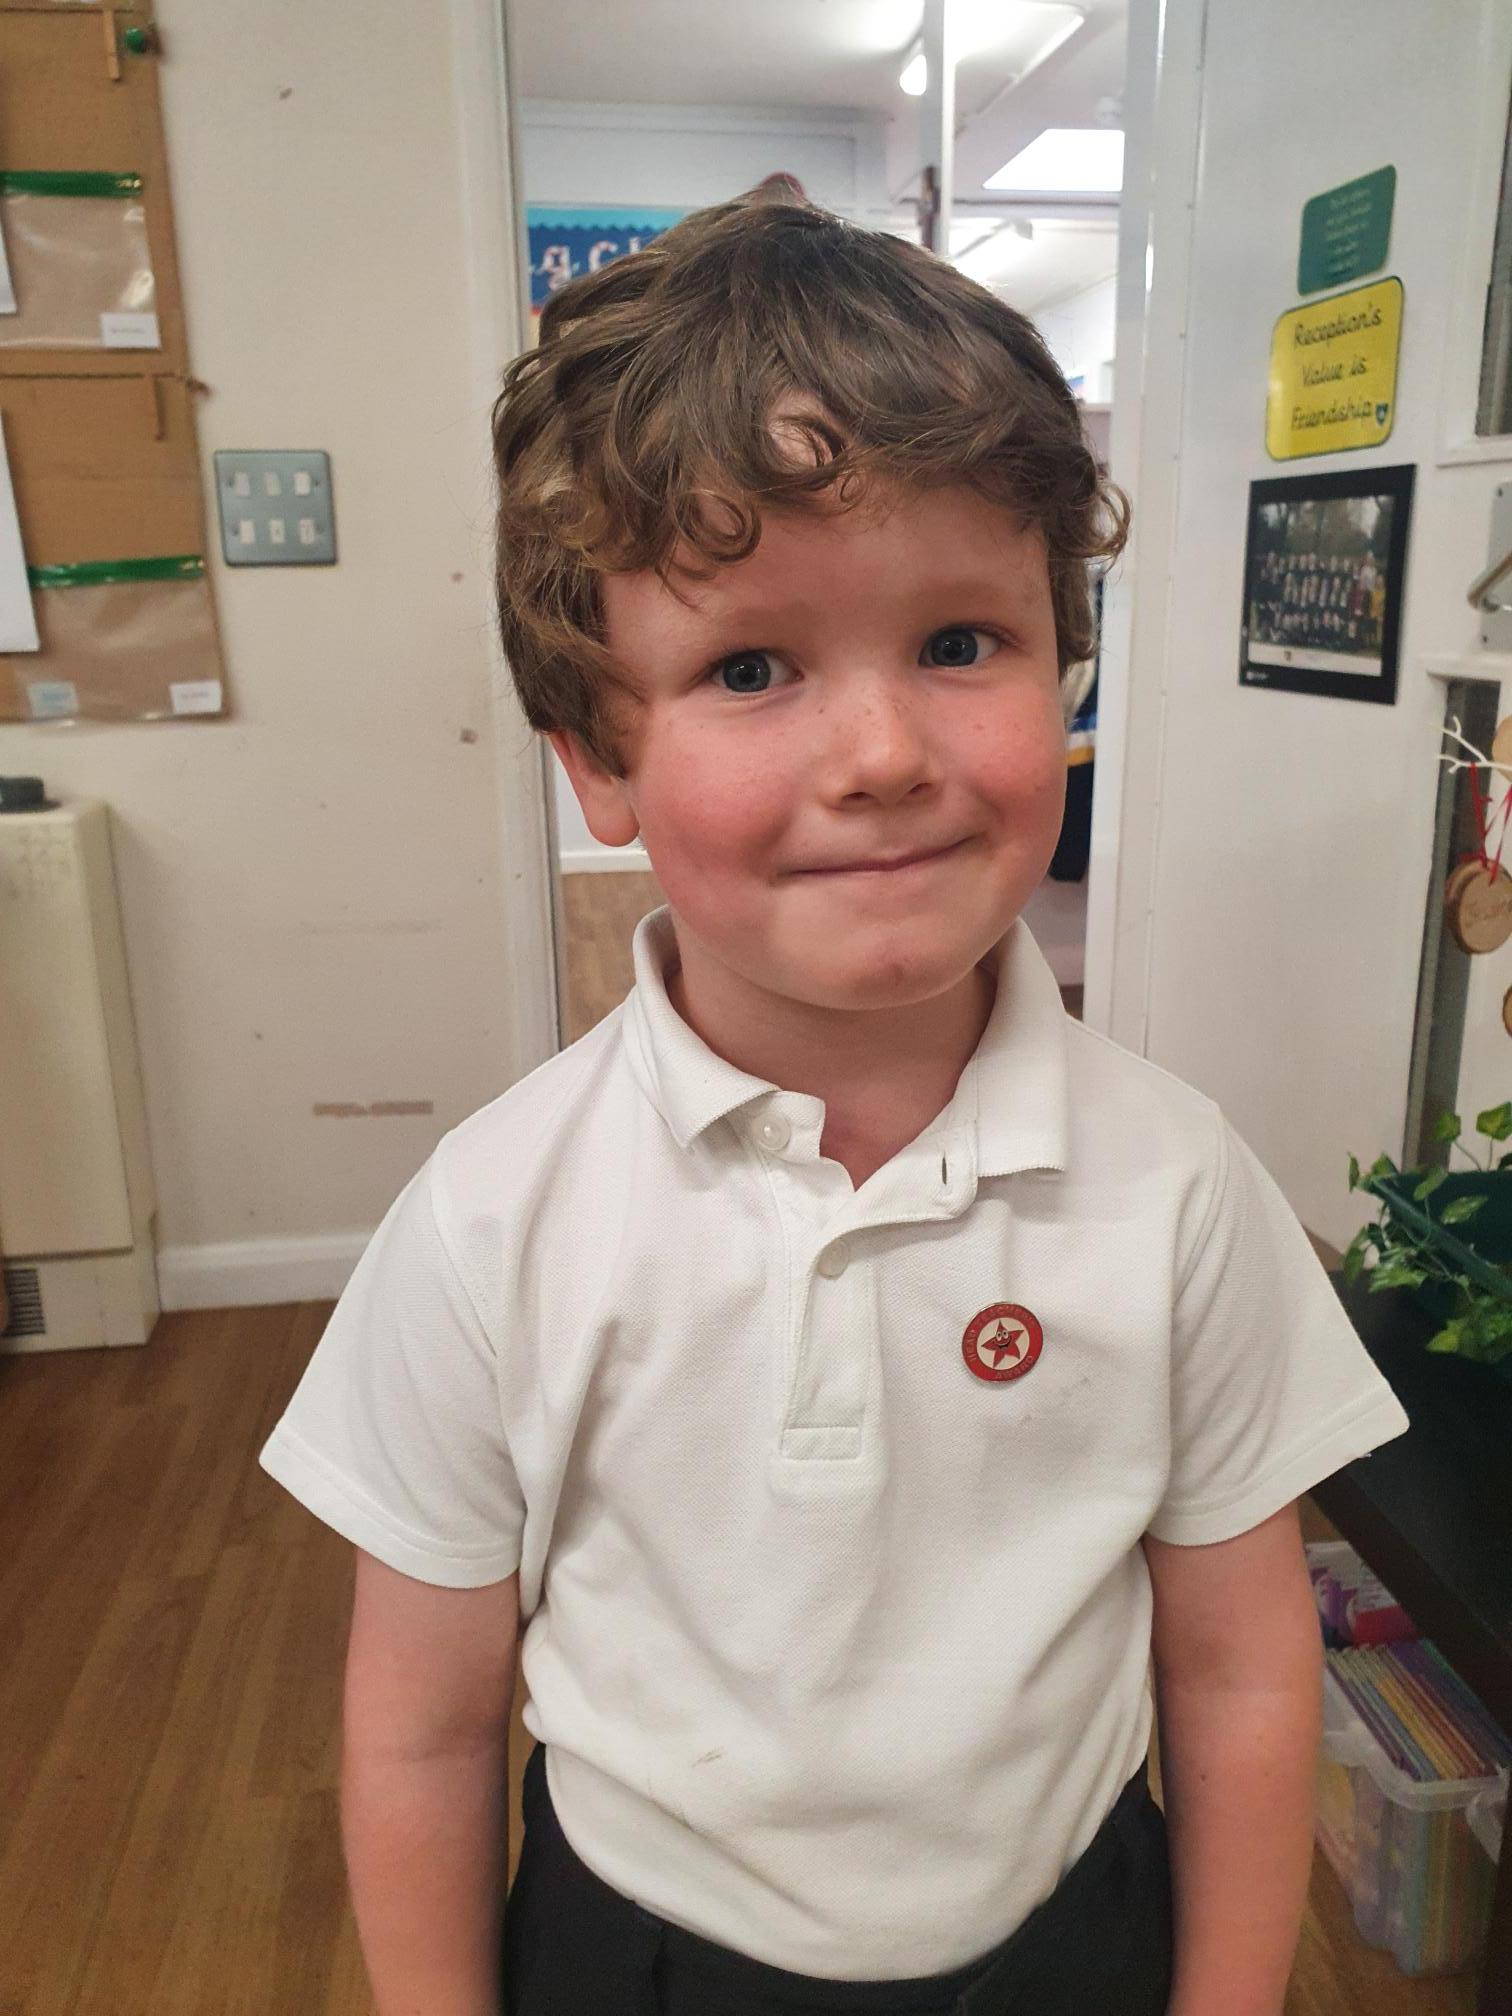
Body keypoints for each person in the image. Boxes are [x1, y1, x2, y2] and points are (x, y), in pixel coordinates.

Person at [258, 191, 1410, 2016]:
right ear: (598, 759)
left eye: (961, 641)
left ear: (1059, 661)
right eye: (750, 668)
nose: (882, 756)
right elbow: (422, 1731)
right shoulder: (493, 1220)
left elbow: (1243, 1670)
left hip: (1072, 1940)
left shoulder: (1178, 1185)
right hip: (640, 1956)